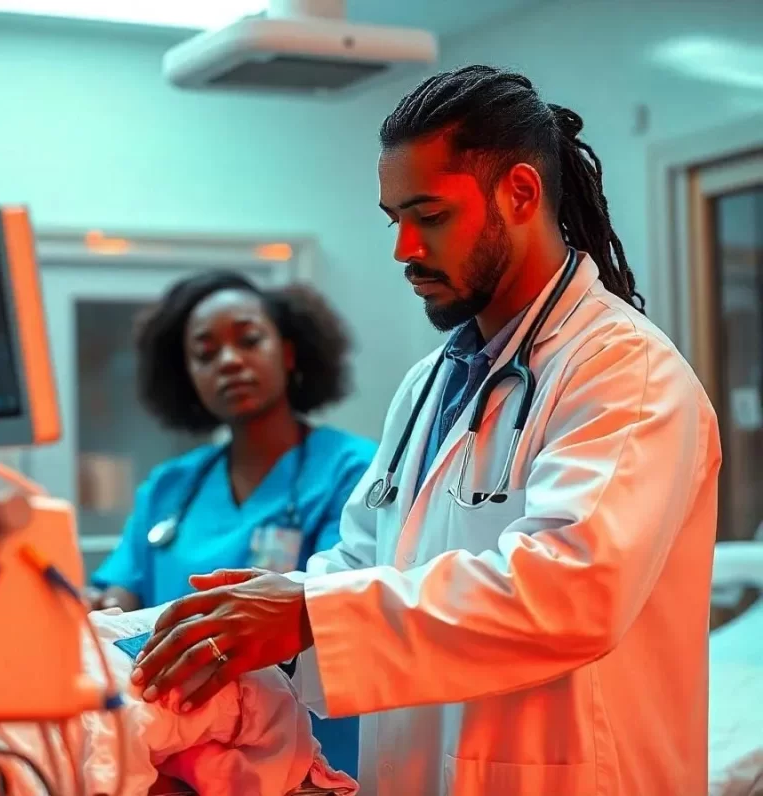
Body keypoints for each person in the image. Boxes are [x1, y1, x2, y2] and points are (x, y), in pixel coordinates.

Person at [128, 65, 723, 796]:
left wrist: (310, 614)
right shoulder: (429, 385)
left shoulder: (625, 371)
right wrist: (271, 605)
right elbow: (369, 558)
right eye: (395, 220)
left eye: (430, 216)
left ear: (521, 193)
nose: (404, 248)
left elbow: (571, 592)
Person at [85, 269, 377, 777]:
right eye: (205, 353)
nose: (229, 361)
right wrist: (93, 610)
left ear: (289, 353)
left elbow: (342, 603)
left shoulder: (353, 471)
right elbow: (120, 593)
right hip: (177, 755)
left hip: (303, 755)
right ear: (188, 376)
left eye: (248, 340)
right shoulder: (171, 486)